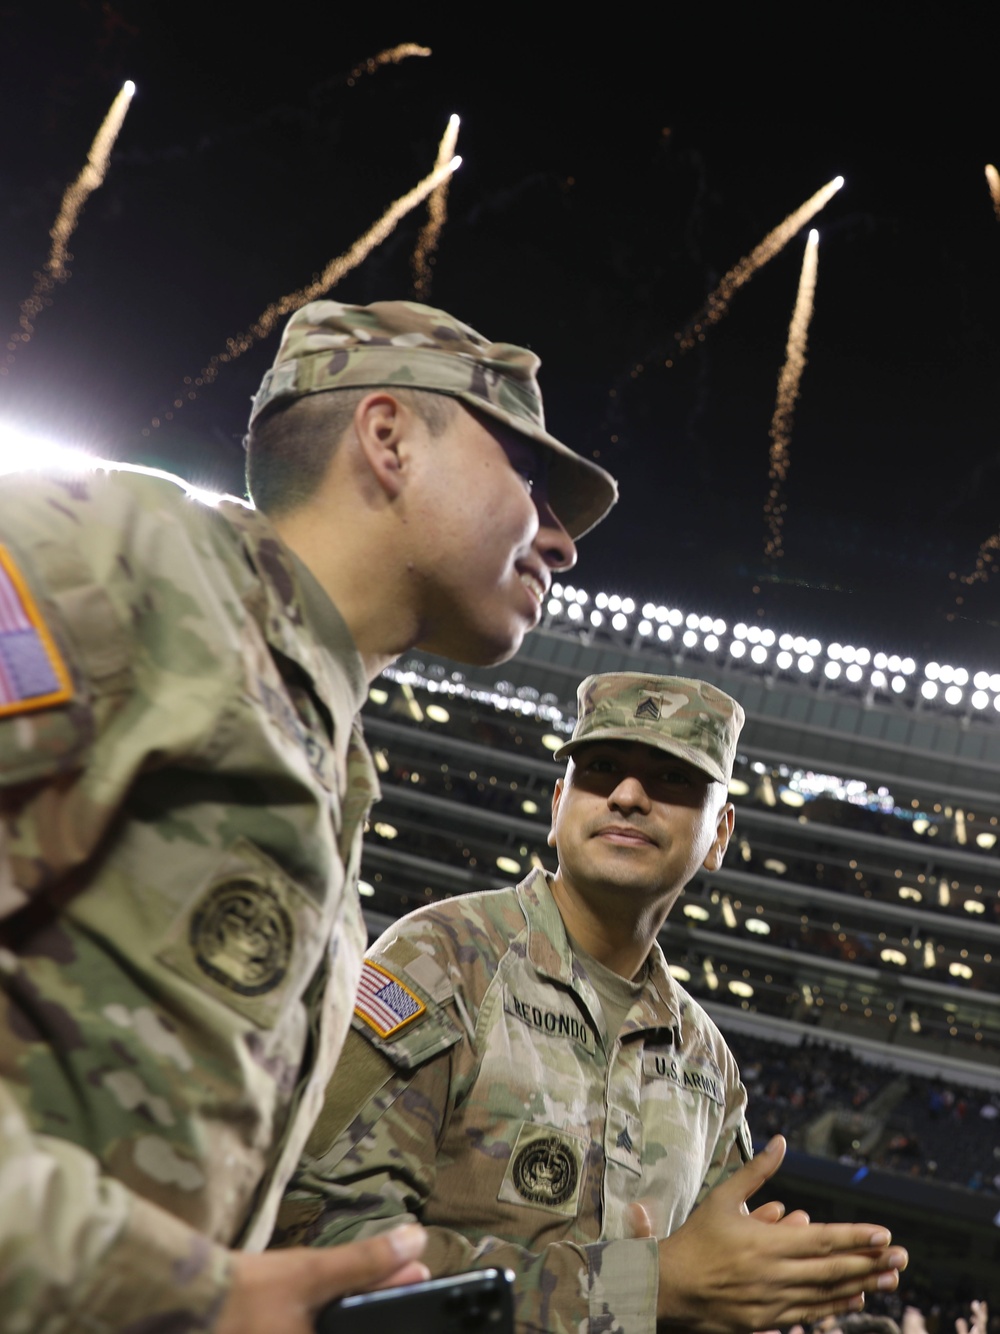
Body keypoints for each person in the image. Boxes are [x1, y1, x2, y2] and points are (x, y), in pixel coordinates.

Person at [0, 299, 617, 1332]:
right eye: (528, 475)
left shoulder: (321, 750)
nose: (559, 540)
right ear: (387, 439)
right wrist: (174, 1292)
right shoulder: (114, 557)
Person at [274, 671, 908, 1333]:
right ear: (558, 807)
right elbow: (323, 1237)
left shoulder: (708, 1065)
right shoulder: (444, 959)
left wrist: (742, 1306)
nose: (629, 795)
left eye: (671, 779)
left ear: (718, 835)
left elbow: (709, 1290)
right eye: (601, 769)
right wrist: (639, 1289)